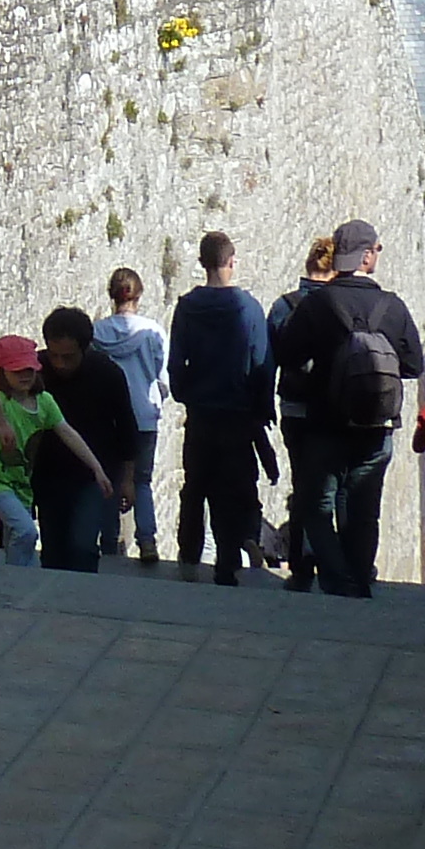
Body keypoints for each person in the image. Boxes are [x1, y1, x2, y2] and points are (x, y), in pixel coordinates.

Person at [273, 220, 423, 599]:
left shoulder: (317, 304)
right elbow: (413, 366)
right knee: (365, 510)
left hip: (326, 423)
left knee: (315, 505)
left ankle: (337, 578)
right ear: (368, 256)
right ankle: (357, 580)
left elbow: (287, 354)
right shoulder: (393, 307)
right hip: (376, 426)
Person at [166, 230, 274, 585]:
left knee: (195, 487)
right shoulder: (248, 308)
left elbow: (176, 361)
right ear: (231, 262)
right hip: (237, 415)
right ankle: (228, 563)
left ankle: (188, 557)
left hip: (200, 414)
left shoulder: (186, 306)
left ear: (201, 263)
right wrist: (260, 411)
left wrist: (186, 393)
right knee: (231, 489)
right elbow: (263, 364)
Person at [0, 336, 111, 561]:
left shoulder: (44, 401)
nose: (25, 375)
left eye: (30, 369)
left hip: (21, 486)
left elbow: (68, 433)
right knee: (27, 532)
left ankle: (11, 582)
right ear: (2, 371)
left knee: (17, 543)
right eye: (17, 371)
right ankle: (18, 581)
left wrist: (97, 468)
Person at [34, 309, 147, 572]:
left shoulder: (108, 374)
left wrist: (128, 480)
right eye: (54, 356)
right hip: (47, 475)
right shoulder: (36, 372)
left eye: (68, 357)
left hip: (93, 476)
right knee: (52, 548)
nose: (60, 364)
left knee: (83, 546)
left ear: (85, 349)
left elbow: (127, 429)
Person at [268, 233, 339, 585]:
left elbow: (269, 363)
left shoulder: (283, 306)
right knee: (331, 486)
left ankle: (300, 562)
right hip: (331, 410)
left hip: (293, 408)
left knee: (302, 483)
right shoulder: (339, 305)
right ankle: (331, 560)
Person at [99, 267, 169, 564]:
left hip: (108, 417)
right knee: (142, 480)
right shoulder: (153, 331)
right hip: (143, 415)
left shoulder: (97, 332)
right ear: (138, 295)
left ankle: (109, 541)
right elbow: (162, 377)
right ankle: (147, 539)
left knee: (108, 479)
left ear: (111, 295)